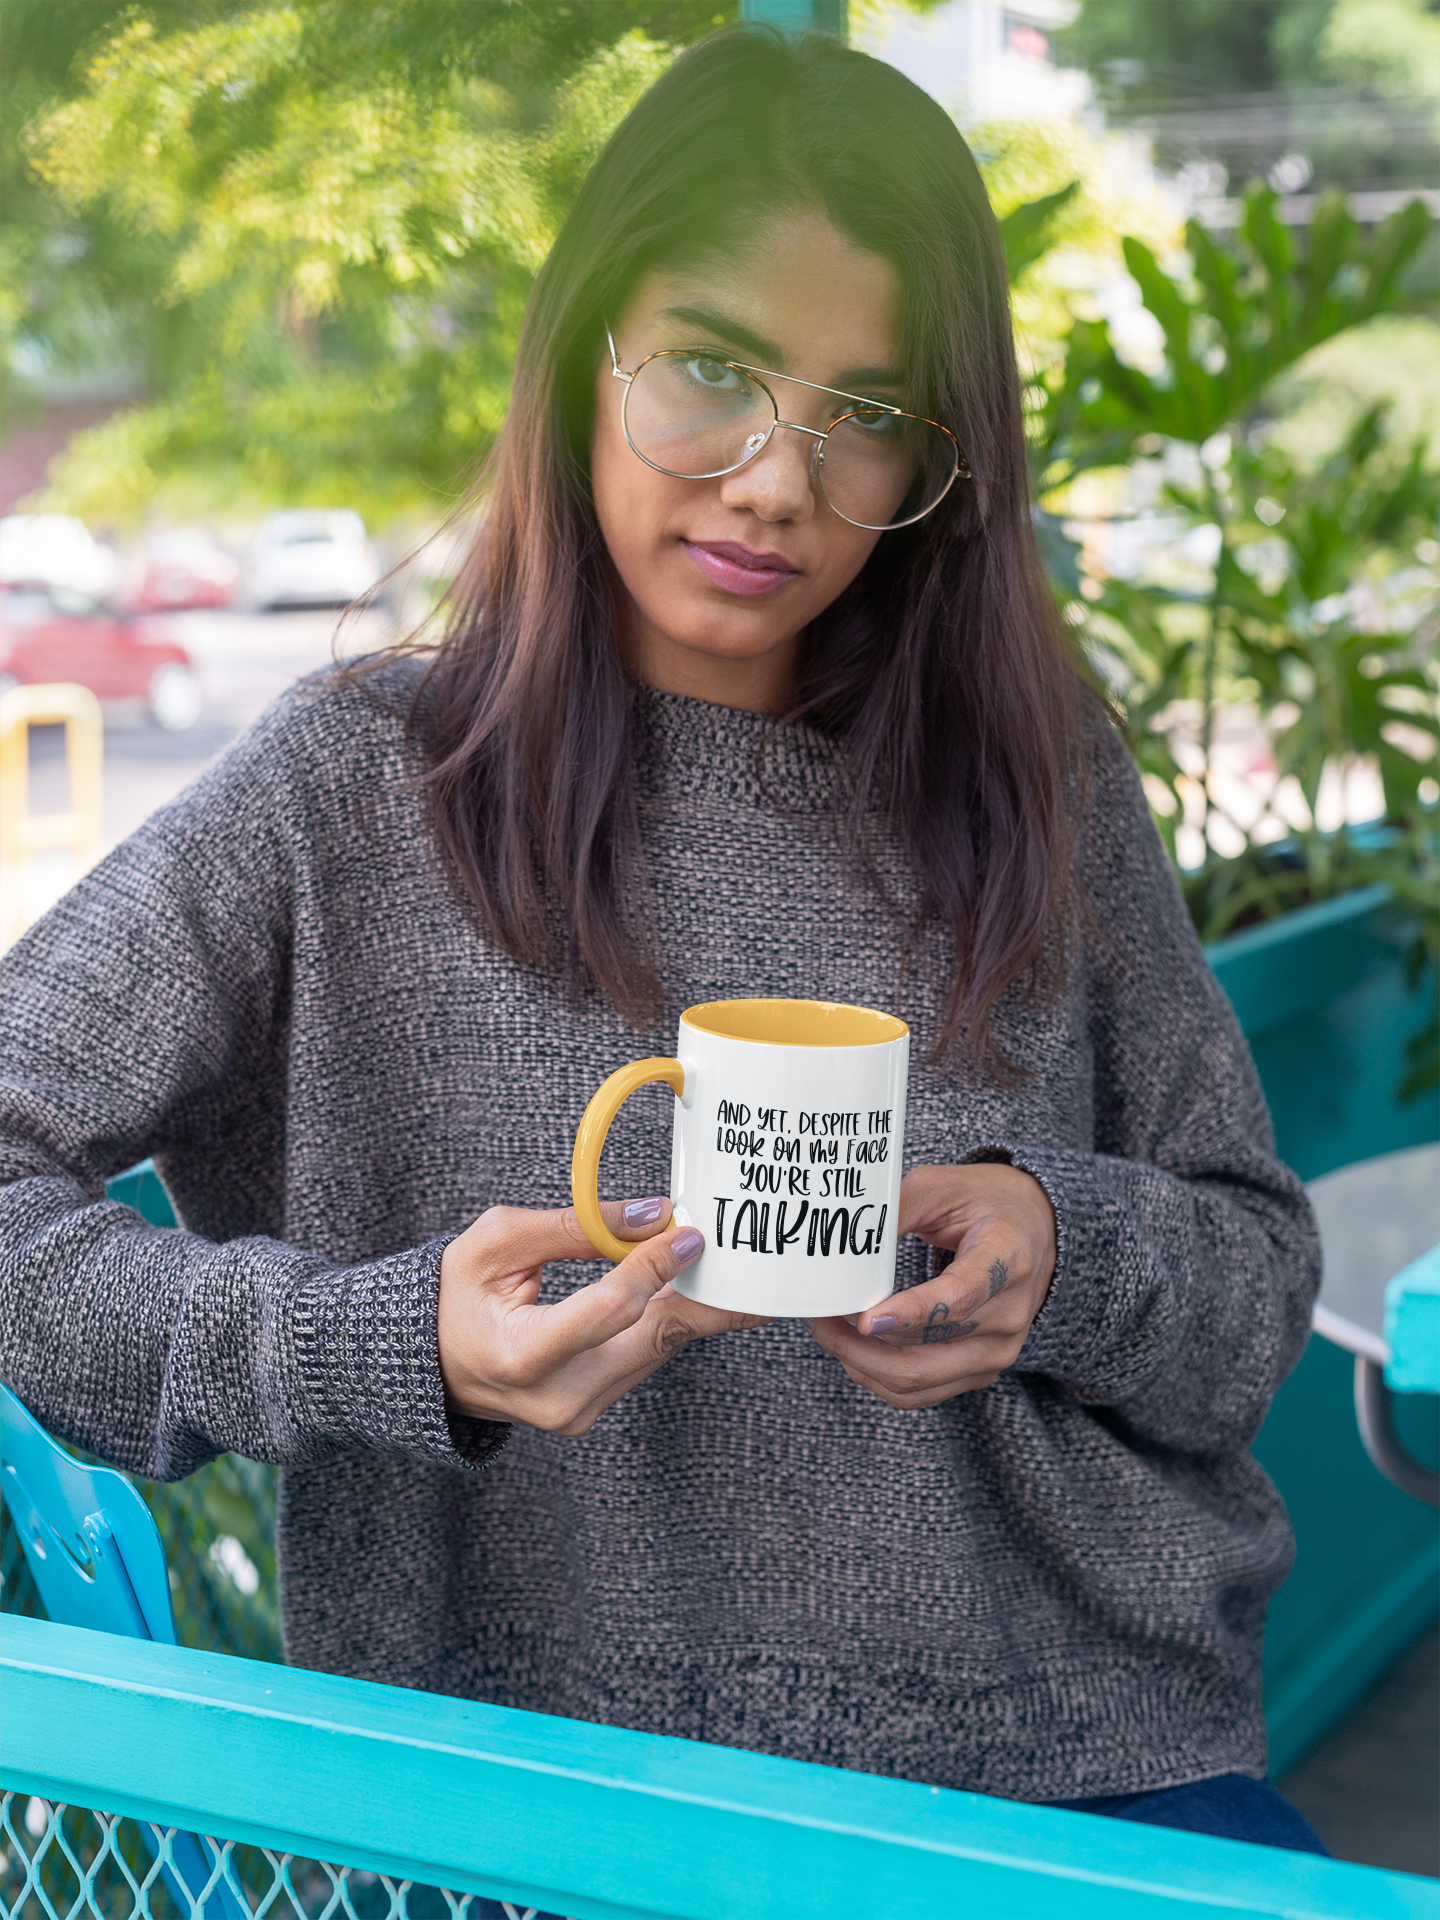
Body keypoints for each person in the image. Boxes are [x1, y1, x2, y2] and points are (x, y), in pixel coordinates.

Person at [0, 27, 1325, 1857]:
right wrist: (379, 1347)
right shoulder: (352, 788)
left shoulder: (1037, 772)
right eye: (710, 371)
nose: (778, 483)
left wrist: (1057, 1250)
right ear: (584, 359)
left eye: (868, 415)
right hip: (524, 1823)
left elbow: (1255, 1274)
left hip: (1074, 1773)